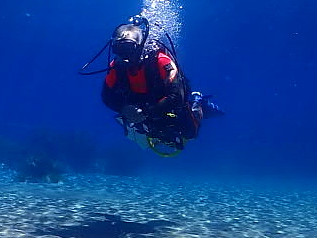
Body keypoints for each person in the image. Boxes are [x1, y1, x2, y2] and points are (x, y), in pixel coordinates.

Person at [81, 15, 222, 155]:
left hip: (165, 102)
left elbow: (177, 96)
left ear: (139, 47)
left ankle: (198, 101)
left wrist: (147, 112)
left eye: (128, 49)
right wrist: (125, 109)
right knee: (152, 131)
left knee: (191, 133)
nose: (124, 57)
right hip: (142, 106)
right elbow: (106, 96)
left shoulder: (161, 61)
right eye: (118, 50)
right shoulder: (116, 66)